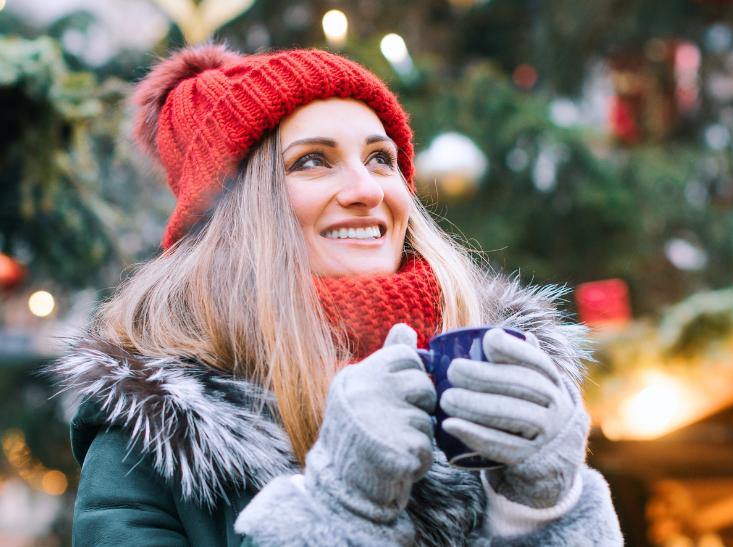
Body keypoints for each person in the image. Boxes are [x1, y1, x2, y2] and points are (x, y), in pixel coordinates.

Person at [52, 44, 623, 546]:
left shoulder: (488, 366)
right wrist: (339, 509)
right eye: (313, 162)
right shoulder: (152, 437)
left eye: (381, 158)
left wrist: (544, 511)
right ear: (238, 213)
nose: (366, 189)